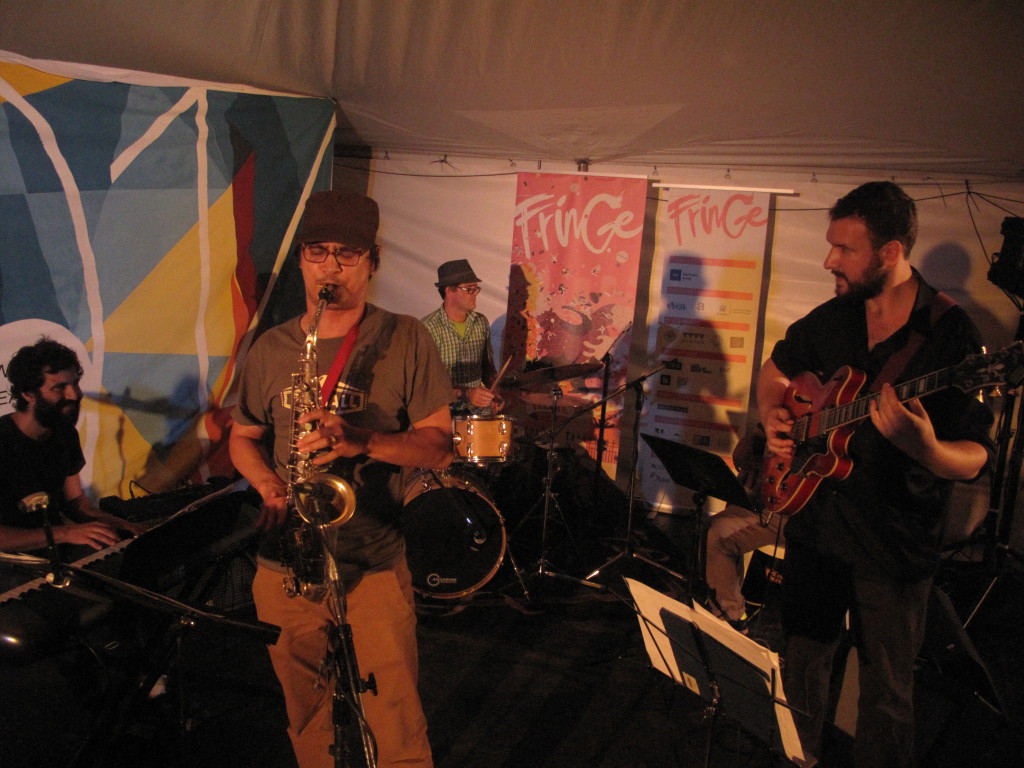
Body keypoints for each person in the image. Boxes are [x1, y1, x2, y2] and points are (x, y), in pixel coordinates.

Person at [757, 181, 994, 767]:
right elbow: (774, 371)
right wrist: (771, 417)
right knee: (804, 662)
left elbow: (976, 455)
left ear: (889, 253)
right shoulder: (833, 316)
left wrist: (927, 448)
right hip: (817, 525)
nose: (828, 260)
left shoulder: (950, 334)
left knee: (887, 693)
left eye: (844, 248)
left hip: (894, 543)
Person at [229, 190, 452, 768]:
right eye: (318, 252)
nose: (331, 268)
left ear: (372, 261)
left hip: (372, 563)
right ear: (301, 258)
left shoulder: (406, 337)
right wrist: (270, 487)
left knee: (396, 721)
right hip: (287, 567)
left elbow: (439, 446)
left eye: (347, 255)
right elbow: (243, 437)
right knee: (306, 718)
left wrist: (362, 440)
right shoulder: (271, 346)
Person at [0, 337, 144, 560]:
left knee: (131, 557)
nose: (74, 394)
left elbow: (75, 501)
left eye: (75, 383)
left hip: (55, 548)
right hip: (10, 562)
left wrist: (126, 527)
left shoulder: (63, 432)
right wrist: (65, 533)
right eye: (59, 387)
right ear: (28, 394)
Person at [704, 423, 785, 633]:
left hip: (797, 514)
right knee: (717, 525)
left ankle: (730, 618)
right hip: (768, 504)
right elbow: (740, 456)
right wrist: (761, 436)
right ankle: (725, 604)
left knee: (719, 535)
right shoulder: (787, 411)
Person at [421, 259, 503, 414]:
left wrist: (495, 393)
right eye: (469, 289)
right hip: (441, 412)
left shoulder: (480, 321)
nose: (475, 294)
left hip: (476, 413)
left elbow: (487, 366)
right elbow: (424, 383)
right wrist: (466, 393)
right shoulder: (428, 327)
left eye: (476, 289)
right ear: (449, 291)